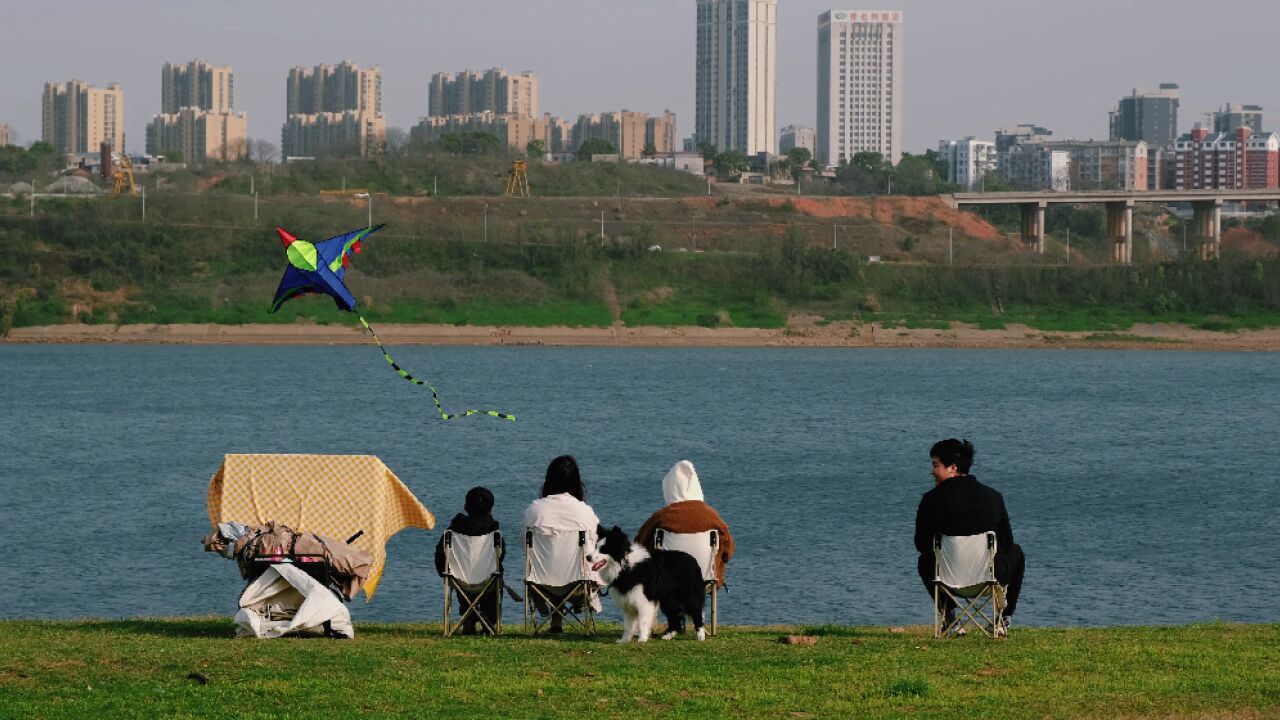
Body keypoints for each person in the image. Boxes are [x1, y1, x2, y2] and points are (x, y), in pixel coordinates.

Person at [914, 439, 1025, 637]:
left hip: (946, 580)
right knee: (1017, 553)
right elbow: (1007, 543)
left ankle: (950, 617)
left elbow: (921, 545)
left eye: (935, 465)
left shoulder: (931, 499)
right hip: (988, 578)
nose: (932, 471)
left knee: (925, 561)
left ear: (952, 468)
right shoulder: (993, 496)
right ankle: (1003, 619)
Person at [523, 455, 602, 633]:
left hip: (540, 584)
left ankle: (555, 620)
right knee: (572, 565)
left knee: (554, 565)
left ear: (548, 480)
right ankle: (577, 606)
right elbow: (592, 546)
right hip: (577, 583)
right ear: (576, 482)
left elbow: (526, 545)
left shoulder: (534, 510)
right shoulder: (585, 512)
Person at [634, 459, 735, 589]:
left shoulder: (661, 518)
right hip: (706, 580)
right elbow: (728, 551)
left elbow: (639, 546)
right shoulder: (712, 517)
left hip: (667, 580)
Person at [434, 486, 504, 635]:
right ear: (490, 509)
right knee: (492, 573)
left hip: (460, 583)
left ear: (466, 507)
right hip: (488, 582)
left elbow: (440, 556)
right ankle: (489, 622)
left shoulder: (452, 531)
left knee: (461, 572)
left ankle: (468, 620)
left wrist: (444, 574)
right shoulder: (494, 532)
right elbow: (500, 556)